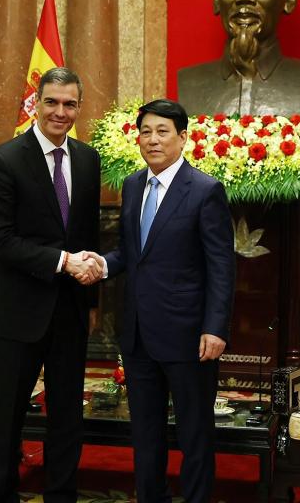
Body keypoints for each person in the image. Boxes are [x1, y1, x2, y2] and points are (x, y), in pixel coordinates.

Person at [92, 98, 235, 503]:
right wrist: (101, 265)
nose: (152, 140)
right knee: (146, 434)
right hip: (137, 332)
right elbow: (129, 251)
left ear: (183, 138)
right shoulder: (134, 185)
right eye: (145, 132)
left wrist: (215, 327)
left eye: (162, 131)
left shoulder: (206, 190)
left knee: (194, 434)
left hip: (189, 334)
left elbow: (221, 266)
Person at [0, 67, 103, 503]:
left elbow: (89, 236)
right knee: (7, 416)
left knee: (67, 416)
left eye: (70, 104)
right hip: (18, 314)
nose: (60, 112)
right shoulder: (3, 160)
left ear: (78, 107)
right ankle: (2, 495)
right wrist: (63, 262)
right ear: (36, 103)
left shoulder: (88, 160)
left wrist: (92, 301)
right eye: (52, 102)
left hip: (70, 312)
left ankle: (61, 495)